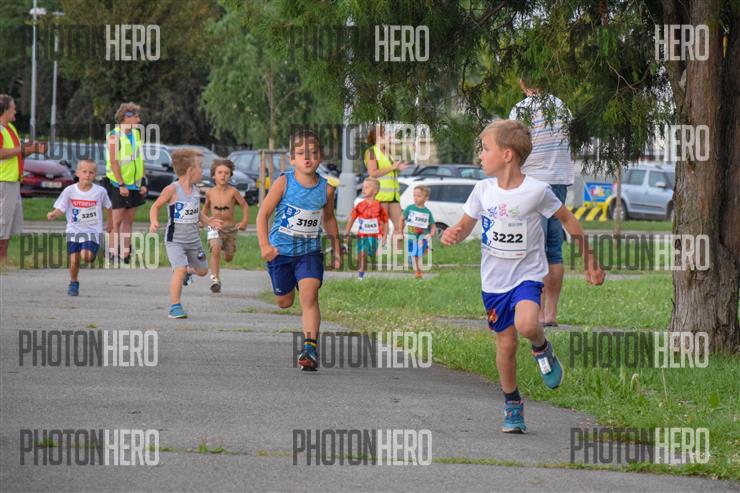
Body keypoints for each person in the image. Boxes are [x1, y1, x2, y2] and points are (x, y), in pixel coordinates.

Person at [442, 120, 604, 433]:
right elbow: (464, 226)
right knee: (506, 345)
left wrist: (590, 259)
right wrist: (453, 233)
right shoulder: (482, 190)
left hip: (527, 276)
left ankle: (541, 346)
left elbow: (568, 220)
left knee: (528, 324)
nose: (480, 155)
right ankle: (512, 403)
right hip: (493, 282)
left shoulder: (537, 191)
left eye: (485, 149)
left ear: (507, 155)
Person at [256, 131, 341, 371]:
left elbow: (329, 219)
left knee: (310, 295)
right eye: (302, 153)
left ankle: (310, 349)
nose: (308, 158)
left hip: (309, 251)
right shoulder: (284, 182)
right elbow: (262, 215)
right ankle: (287, 283)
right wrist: (264, 245)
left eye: (313, 153)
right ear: (292, 159)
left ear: (320, 157)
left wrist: (337, 248)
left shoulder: (326, 189)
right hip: (280, 252)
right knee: (284, 302)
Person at [509, 78, 574, 326]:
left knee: (533, 249)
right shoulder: (562, 107)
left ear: (522, 83)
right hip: (558, 180)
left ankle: (534, 312)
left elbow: (514, 148)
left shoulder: (521, 109)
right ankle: (551, 313)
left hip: (532, 183)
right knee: (554, 249)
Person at [149, 148, 222, 319]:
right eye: (200, 166)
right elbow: (155, 206)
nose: (202, 170)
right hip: (175, 241)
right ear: (190, 170)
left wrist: (208, 221)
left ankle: (188, 271)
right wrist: (153, 221)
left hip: (193, 241)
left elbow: (196, 211)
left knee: (203, 271)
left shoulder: (196, 190)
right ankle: (175, 307)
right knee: (179, 270)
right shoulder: (172, 189)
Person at [47, 160, 111, 295]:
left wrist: (110, 223)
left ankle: (92, 254)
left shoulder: (100, 192)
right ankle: (73, 282)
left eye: (91, 172)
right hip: (73, 231)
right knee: (74, 260)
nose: (87, 175)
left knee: (86, 256)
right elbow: (61, 207)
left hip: (92, 231)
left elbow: (108, 207)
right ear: (77, 173)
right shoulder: (69, 191)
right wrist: (54, 214)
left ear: (95, 175)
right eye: (84, 172)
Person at [0, 94, 46, 264]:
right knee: (3, 221)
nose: (15, 111)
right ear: (4, 110)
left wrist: (32, 149)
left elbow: (17, 152)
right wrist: (21, 149)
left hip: (13, 180)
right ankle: (1, 259)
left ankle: (3, 258)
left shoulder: (10, 128)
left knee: (10, 222)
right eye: (13, 108)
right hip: (4, 181)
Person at [106, 102, 148, 264]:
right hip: (119, 184)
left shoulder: (136, 134)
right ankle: (112, 252)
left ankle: (125, 254)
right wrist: (121, 184)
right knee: (116, 221)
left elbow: (139, 159)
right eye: (136, 116)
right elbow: (114, 162)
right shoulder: (114, 136)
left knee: (129, 221)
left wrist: (142, 182)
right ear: (126, 117)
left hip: (135, 184)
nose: (139, 120)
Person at [202, 158, 249, 293]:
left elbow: (245, 206)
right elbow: (205, 209)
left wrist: (244, 222)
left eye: (226, 173)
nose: (223, 175)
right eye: (220, 172)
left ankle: (227, 251)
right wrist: (202, 220)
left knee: (229, 257)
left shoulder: (233, 192)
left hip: (230, 229)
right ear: (213, 175)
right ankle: (215, 280)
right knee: (215, 250)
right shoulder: (209, 192)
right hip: (215, 227)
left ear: (230, 175)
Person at [364, 125, 408, 246]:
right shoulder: (371, 152)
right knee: (383, 228)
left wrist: (398, 167)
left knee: (400, 225)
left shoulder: (388, 151)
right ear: (377, 137)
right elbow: (373, 172)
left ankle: (397, 253)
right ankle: (378, 251)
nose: (388, 135)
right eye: (385, 134)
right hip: (380, 195)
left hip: (393, 195)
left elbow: (389, 170)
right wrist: (392, 167)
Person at [344, 178, 388, 280]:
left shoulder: (379, 206)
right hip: (362, 236)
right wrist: (347, 233)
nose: (363, 189)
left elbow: (385, 222)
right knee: (362, 254)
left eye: (367, 187)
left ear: (375, 191)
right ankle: (361, 276)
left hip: (375, 237)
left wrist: (385, 237)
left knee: (369, 254)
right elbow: (351, 219)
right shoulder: (360, 205)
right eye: (363, 187)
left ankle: (369, 257)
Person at [400, 185, 436, 279]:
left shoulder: (427, 212)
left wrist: (432, 233)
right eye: (414, 195)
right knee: (411, 253)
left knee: (416, 253)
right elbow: (401, 219)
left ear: (426, 198)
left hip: (422, 237)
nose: (416, 198)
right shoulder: (410, 208)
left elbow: (433, 225)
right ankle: (418, 257)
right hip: (410, 236)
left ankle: (418, 271)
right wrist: (400, 231)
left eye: (419, 196)